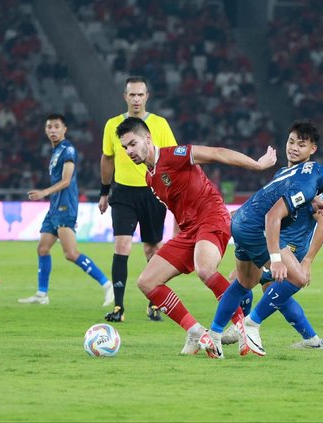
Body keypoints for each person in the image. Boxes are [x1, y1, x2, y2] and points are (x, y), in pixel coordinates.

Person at [116, 117, 277, 354]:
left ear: (147, 138)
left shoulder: (173, 155)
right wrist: (175, 241)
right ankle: (195, 332)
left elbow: (217, 153)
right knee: (146, 282)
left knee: (204, 269)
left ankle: (244, 329)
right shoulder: (149, 177)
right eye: (125, 147)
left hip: (212, 216)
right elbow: (178, 209)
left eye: (132, 143)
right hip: (189, 230)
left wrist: (258, 165)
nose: (129, 151)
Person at [199, 120, 323, 359]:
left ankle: (218, 334)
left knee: (247, 282)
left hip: (271, 237)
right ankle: (250, 325)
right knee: (280, 281)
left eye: (301, 144)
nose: (294, 148)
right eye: (291, 142)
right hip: (267, 235)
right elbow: (271, 213)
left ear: (312, 149)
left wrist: (307, 259)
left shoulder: (310, 177)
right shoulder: (291, 174)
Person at [99, 76, 177, 323]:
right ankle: (119, 308)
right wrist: (103, 191)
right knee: (122, 245)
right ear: (125, 97)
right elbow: (107, 158)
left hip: (153, 193)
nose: (135, 99)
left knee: (152, 248)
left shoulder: (160, 125)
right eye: (131, 95)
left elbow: (171, 158)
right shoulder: (112, 125)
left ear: (147, 97)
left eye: (140, 95)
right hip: (122, 193)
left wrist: (173, 193)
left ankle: (154, 303)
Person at [18, 114, 113, 306]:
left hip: (65, 205)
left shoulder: (68, 149)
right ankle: (42, 294)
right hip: (55, 206)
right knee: (43, 248)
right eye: (49, 127)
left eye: (56, 127)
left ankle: (107, 284)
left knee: (70, 253)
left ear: (64, 129)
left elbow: (67, 180)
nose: (52, 130)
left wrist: (44, 192)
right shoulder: (56, 151)